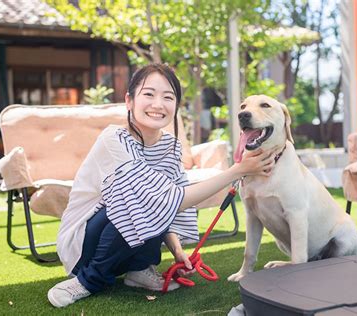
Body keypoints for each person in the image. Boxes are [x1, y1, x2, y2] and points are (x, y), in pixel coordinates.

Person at [47, 63, 275, 308]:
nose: (158, 104)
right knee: (137, 197)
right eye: (148, 94)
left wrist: (178, 253)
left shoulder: (169, 146)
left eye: (168, 97)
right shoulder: (114, 139)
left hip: (127, 246)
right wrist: (238, 170)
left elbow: (168, 206)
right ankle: (87, 281)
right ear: (129, 101)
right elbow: (160, 200)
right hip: (85, 247)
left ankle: (138, 269)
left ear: (175, 106)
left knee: (152, 197)